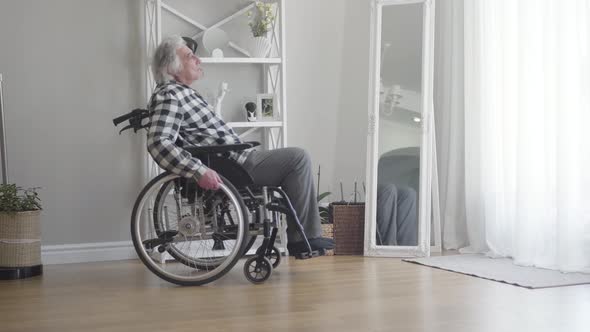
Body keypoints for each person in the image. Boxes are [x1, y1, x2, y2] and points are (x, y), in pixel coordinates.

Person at [146, 35, 334, 255]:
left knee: (295, 160)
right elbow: (158, 142)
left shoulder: (183, 93)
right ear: (171, 67)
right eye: (189, 55)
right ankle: (304, 239)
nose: (198, 59)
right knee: (298, 158)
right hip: (232, 166)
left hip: (235, 160)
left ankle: (302, 237)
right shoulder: (169, 95)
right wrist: (198, 171)